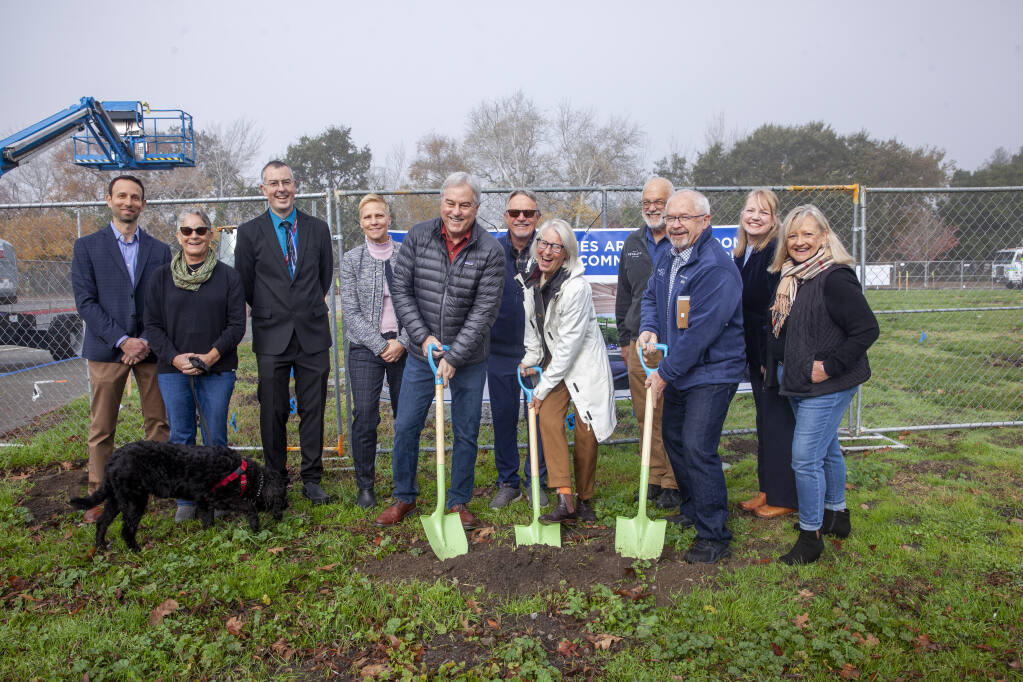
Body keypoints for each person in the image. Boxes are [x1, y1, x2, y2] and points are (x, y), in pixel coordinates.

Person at [374, 172, 505, 530]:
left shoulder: (490, 251)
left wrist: (454, 356)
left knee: (466, 431)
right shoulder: (418, 236)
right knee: (406, 425)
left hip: (469, 360)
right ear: (441, 202)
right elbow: (401, 291)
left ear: (476, 207)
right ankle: (404, 496)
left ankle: (458, 501)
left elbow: (484, 312)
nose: (456, 211)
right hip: (422, 356)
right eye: (450, 203)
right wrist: (423, 338)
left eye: (464, 205)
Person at [767, 205, 879, 565]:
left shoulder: (834, 278)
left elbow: (867, 329)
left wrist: (830, 367)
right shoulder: (793, 276)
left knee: (804, 459)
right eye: (793, 235)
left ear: (824, 236)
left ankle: (810, 537)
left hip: (827, 384)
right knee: (827, 449)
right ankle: (836, 515)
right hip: (796, 380)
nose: (799, 242)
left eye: (807, 234)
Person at [638, 189, 746, 564]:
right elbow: (650, 296)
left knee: (698, 447)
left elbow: (701, 333)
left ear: (705, 221)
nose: (676, 225)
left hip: (712, 371)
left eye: (685, 217)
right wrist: (650, 327)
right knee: (674, 440)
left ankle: (714, 534)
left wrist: (663, 374)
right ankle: (693, 508)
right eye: (671, 218)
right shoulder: (669, 257)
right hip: (683, 369)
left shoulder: (715, 268)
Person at [71, 175, 171, 523]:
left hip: (150, 349)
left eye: (135, 197)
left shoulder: (159, 250)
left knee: (158, 424)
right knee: (102, 428)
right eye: (122, 196)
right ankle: (99, 494)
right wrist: (122, 340)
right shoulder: (87, 247)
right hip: (107, 349)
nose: (129, 202)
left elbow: (163, 301)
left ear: (144, 204)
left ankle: (156, 490)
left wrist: (144, 339)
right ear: (109, 200)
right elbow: (85, 302)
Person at [234, 161, 334, 505]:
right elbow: (245, 283)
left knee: (313, 408)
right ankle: (275, 478)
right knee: (272, 410)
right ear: (263, 189)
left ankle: (312, 478)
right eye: (273, 183)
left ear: (295, 186)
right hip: (271, 334)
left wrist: (303, 306)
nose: (281, 189)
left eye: (286, 182)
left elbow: (324, 277)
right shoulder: (249, 232)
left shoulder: (317, 229)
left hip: (312, 333)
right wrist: (273, 309)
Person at [144, 210, 247, 522]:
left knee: (215, 435)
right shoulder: (160, 278)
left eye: (200, 230)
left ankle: (219, 494)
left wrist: (210, 357)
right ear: (178, 236)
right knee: (181, 435)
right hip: (173, 370)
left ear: (210, 235)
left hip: (217, 368)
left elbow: (236, 325)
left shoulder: (228, 277)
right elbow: (152, 326)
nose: (194, 236)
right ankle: (186, 499)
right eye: (187, 231)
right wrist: (176, 358)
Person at [520, 219, 617, 524]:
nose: (546, 251)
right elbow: (533, 328)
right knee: (548, 419)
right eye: (543, 243)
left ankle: (585, 499)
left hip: (582, 365)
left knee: (586, 432)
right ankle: (565, 499)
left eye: (555, 246)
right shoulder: (531, 281)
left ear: (566, 253)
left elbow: (570, 347)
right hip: (553, 364)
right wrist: (530, 358)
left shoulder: (577, 288)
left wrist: (540, 388)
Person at [615, 177, 681, 509]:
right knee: (645, 413)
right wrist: (624, 339)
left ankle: (673, 481)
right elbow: (624, 294)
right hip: (639, 345)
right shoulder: (632, 243)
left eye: (659, 202)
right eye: (647, 203)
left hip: (673, 344)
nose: (652, 208)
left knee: (669, 414)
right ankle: (653, 476)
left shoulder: (681, 241)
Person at [733, 190, 799, 519]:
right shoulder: (744, 251)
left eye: (763, 212)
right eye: (750, 210)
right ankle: (766, 489)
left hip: (769, 351)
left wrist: (768, 357)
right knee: (764, 421)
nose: (755, 217)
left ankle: (785, 496)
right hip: (751, 349)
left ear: (774, 219)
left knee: (777, 422)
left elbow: (776, 310)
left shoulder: (776, 251)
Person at [340, 194, 408, 510]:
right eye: (368, 217)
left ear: (389, 219)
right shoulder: (352, 259)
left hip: (404, 346)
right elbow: (351, 311)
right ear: (361, 222)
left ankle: (405, 484)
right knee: (365, 415)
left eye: (379, 215)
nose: (374, 221)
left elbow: (420, 303)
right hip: (366, 347)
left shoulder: (407, 255)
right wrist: (380, 345)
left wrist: (402, 341)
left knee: (406, 417)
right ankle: (365, 486)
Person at [487, 189, 548, 509]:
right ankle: (508, 482)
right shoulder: (491, 250)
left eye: (528, 213)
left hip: (538, 351)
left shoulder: (548, 248)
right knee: (503, 417)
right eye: (514, 213)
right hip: (499, 348)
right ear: (506, 217)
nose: (521, 218)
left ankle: (536, 480)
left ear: (538, 216)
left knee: (538, 418)